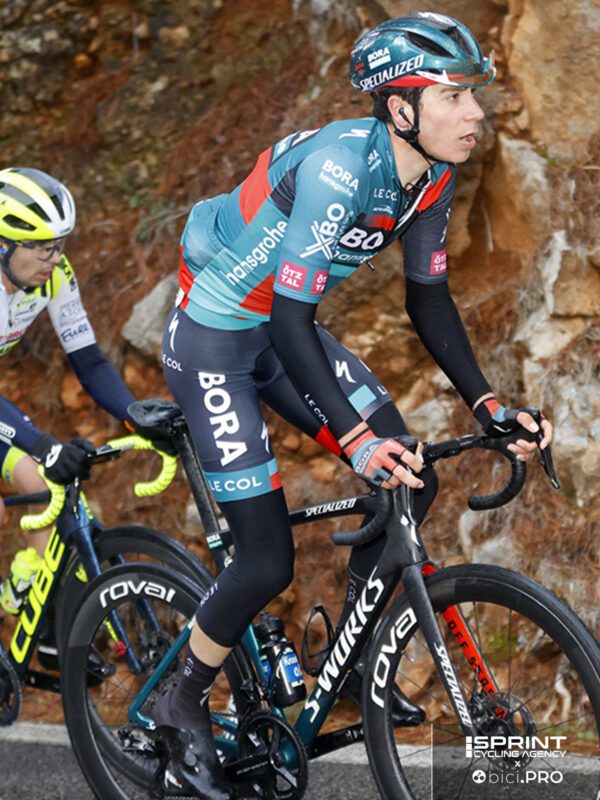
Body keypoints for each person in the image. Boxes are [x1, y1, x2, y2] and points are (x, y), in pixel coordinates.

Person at [151, 13, 553, 798]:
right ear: (401, 108)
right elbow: (288, 320)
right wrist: (356, 437)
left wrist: (488, 406)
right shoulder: (340, 169)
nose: (474, 112)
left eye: (472, 95)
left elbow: (428, 298)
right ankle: (182, 699)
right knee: (267, 559)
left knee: (411, 477)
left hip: (283, 331)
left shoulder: (431, 172)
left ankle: (353, 664)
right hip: (216, 340)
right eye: (453, 96)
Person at [0, 167, 136, 615]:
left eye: (59, 245)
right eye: (42, 247)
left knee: (40, 485)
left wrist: (135, 413)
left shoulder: (55, 275)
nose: (54, 258)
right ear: (3, 245)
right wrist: (43, 444)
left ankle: (34, 618)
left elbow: (90, 362)